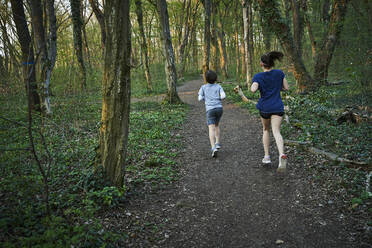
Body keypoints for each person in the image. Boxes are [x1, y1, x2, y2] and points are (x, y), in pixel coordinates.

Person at [235, 51, 289, 172]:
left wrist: (253, 86)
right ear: (272, 63)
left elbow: (253, 90)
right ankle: (281, 154)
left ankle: (267, 157)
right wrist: (276, 86)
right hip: (278, 107)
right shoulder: (279, 73)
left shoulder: (258, 76)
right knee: (277, 131)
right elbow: (286, 88)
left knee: (266, 130)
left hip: (265, 108)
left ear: (261, 64)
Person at [198, 70, 226, 157]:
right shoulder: (218, 86)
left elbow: (199, 98)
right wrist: (218, 98)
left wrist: (205, 99)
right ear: (215, 78)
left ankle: (213, 147)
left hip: (210, 110)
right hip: (219, 109)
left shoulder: (203, 87)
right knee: (217, 125)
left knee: (211, 128)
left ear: (206, 79)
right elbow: (223, 96)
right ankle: (217, 143)